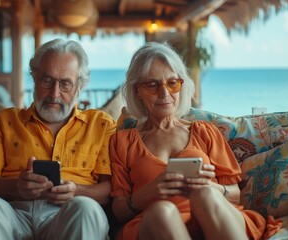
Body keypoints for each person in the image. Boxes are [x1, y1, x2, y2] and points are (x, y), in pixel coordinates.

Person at [109, 42, 273, 240]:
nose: (164, 93)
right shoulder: (122, 142)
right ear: (137, 92)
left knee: (206, 196)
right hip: (159, 226)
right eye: (152, 85)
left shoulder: (204, 132)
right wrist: (148, 193)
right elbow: (119, 211)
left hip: (213, 216)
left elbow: (235, 194)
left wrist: (212, 188)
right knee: (162, 211)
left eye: (172, 83)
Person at [0, 38, 116, 240]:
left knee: (86, 209)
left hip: (70, 214)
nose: (54, 93)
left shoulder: (100, 124)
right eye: (47, 80)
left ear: (79, 87)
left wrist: (76, 191)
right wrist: (16, 187)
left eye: (65, 84)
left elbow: (110, 190)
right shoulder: (5, 120)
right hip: (13, 212)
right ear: (34, 78)